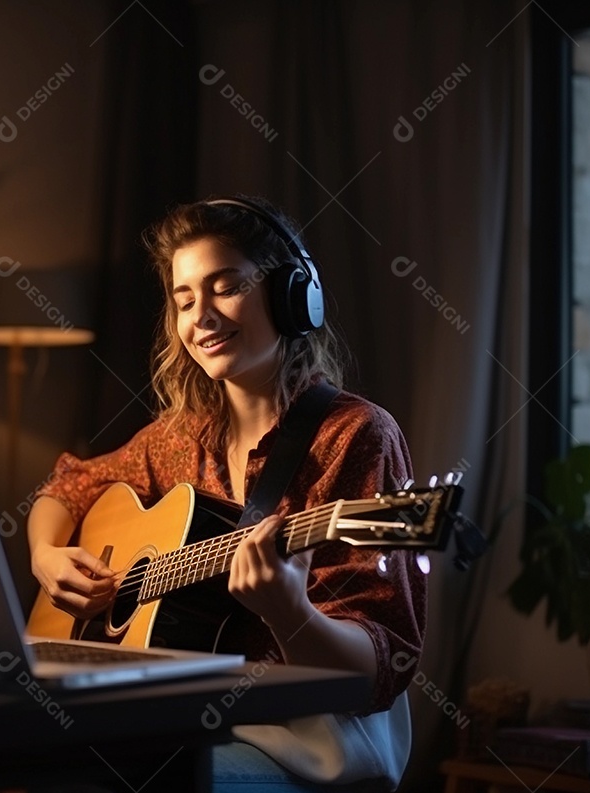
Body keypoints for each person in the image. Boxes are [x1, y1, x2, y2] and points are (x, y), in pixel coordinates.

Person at [27, 196, 425, 791]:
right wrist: (47, 555)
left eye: (226, 286)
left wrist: (288, 612)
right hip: (180, 725)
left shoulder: (355, 436)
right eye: (185, 300)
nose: (201, 316)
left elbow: (381, 666)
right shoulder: (181, 436)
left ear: (293, 297)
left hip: (304, 746)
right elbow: (69, 485)